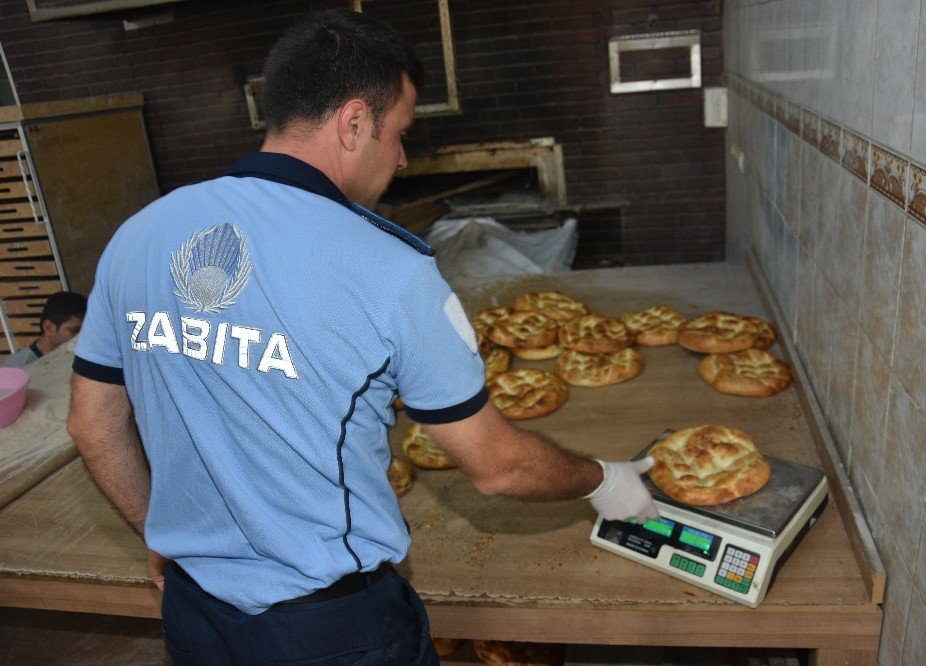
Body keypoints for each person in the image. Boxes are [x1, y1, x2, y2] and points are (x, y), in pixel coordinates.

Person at [66, 9, 657, 665]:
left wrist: (158, 528)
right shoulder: (390, 270)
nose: (402, 158)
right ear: (353, 123)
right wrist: (602, 480)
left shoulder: (142, 234)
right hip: (328, 632)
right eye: (400, 133)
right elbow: (500, 466)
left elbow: (93, 426)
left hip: (195, 616)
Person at [3, 291, 86, 367]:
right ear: (48, 328)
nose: (81, 337)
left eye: (86, 331)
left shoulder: (81, 357)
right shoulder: (17, 368)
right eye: (74, 330)